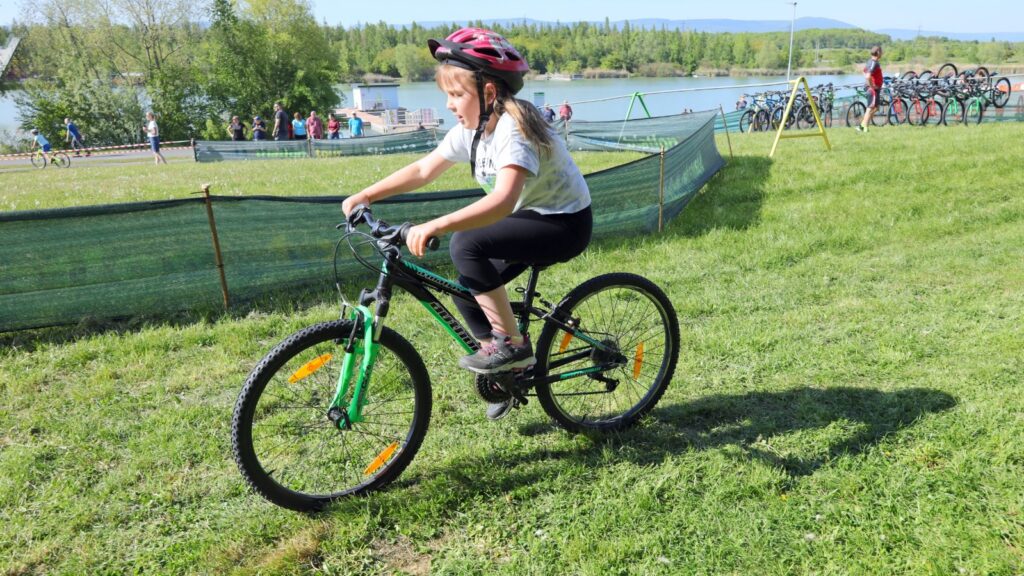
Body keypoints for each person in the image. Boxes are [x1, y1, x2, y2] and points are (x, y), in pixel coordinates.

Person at [341, 27, 592, 420]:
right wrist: (366, 195)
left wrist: (436, 225)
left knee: (465, 244)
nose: (449, 105)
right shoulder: (471, 132)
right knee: (465, 288)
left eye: (456, 95)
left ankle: (512, 347)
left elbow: (502, 200)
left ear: (488, 93)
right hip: (529, 217)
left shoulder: (513, 128)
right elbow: (423, 169)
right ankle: (507, 371)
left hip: (564, 223)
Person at [859, 45, 884, 133]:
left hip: (875, 88)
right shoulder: (874, 63)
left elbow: (863, 71)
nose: (882, 53)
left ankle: (863, 124)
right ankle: (864, 126)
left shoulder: (871, 61)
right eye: (881, 51)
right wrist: (872, 85)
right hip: (872, 89)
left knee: (876, 108)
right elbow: (868, 76)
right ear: (878, 52)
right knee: (870, 108)